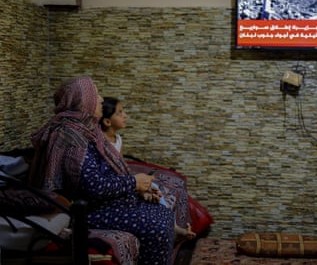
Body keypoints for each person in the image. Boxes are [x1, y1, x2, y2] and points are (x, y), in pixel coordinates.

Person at [29, 76, 175, 265]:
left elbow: (109, 171)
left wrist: (140, 187)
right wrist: (134, 183)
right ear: (83, 100)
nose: (100, 99)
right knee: (157, 225)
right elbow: (93, 186)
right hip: (85, 210)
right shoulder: (69, 135)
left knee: (161, 212)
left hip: (101, 203)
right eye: (95, 94)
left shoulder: (88, 130)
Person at [100, 96, 196, 240]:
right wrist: (134, 186)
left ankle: (175, 227)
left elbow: (123, 167)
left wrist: (142, 186)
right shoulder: (100, 143)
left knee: (155, 188)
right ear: (107, 121)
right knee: (145, 191)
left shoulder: (118, 139)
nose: (125, 115)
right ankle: (174, 229)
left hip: (125, 181)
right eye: (120, 113)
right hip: (115, 186)